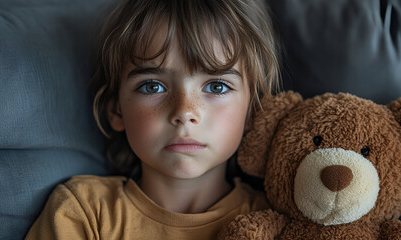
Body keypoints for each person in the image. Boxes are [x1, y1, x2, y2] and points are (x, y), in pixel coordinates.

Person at [26, 0, 281, 239]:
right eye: (152, 87)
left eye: (216, 86)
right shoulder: (84, 212)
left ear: (254, 111)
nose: (184, 112)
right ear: (115, 110)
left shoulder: (276, 222)